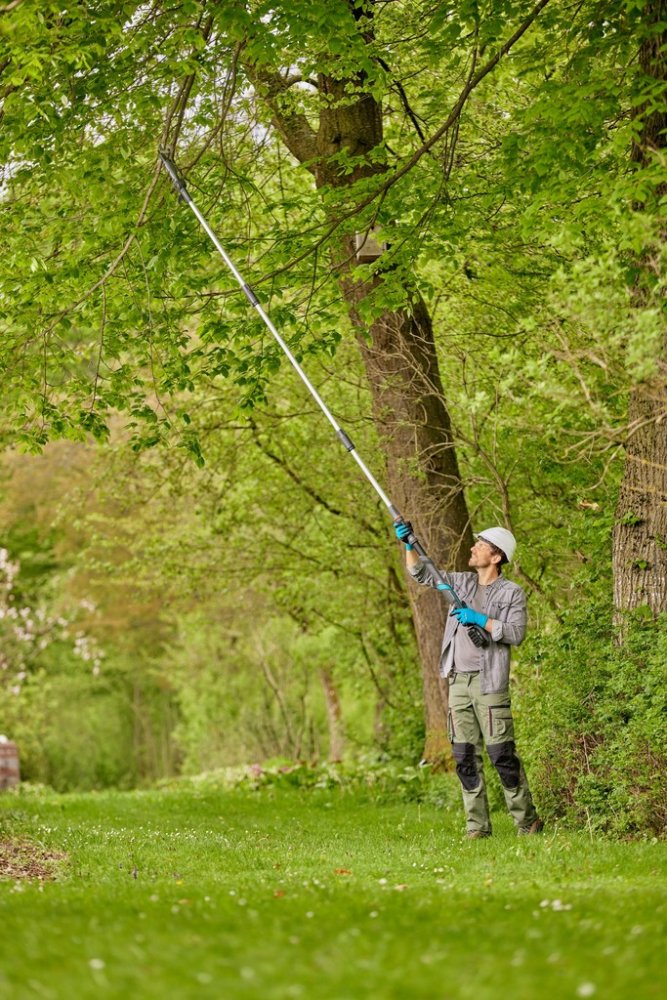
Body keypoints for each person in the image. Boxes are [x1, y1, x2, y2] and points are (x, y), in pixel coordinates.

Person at [395, 520, 543, 839]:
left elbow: (516, 633)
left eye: (481, 545)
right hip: (458, 683)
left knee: (502, 754)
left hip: (490, 684)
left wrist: (480, 620)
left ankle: (527, 822)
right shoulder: (460, 583)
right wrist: (408, 544)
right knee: (464, 756)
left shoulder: (511, 593)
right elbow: (421, 573)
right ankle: (477, 826)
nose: (473, 547)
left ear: (496, 557)